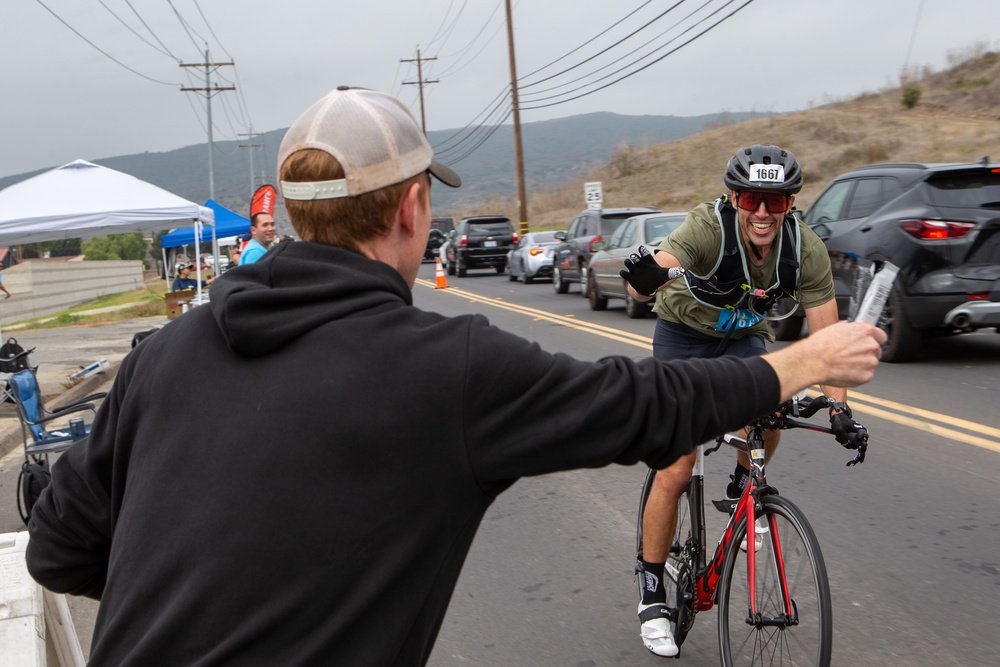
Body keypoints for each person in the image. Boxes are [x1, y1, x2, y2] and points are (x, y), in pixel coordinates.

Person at [25, 89, 884, 667]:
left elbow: (59, 546)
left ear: (289, 212)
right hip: (727, 358)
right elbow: (643, 405)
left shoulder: (159, 359)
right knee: (674, 457)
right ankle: (655, 584)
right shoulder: (447, 369)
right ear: (410, 209)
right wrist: (809, 360)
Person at [620, 144, 866, 658]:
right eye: (752, 198)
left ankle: (740, 489)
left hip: (742, 338)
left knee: (773, 407)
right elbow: (662, 266)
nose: (761, 212)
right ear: (735, 197)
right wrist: (645, 277)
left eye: (774, 202)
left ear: (791, 203)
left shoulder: (805, 250)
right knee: (679, 464)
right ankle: (650, 595)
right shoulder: (708, 228)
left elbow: (827, 340)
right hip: (683, 335)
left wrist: (841, 409)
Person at [239, 184, 278, 265]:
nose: (270, 228)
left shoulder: (260, 249)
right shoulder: (255, 252)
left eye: (272, 224)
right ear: (253, 230)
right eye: (265, 225)